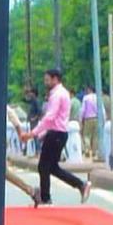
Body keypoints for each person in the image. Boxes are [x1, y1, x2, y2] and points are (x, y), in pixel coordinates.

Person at [30, 67, 79, 207]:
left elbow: (50, 116)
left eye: (47, 80)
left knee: (44, 166)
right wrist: (43, 133)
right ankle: (80, 185)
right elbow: (56, 118)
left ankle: (46, 198)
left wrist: (34, 132)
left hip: (56, 134)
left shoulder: (57, 95)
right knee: (51, 167)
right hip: (57, 133)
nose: (45, 83)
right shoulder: (60, 93)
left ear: (55, 79)